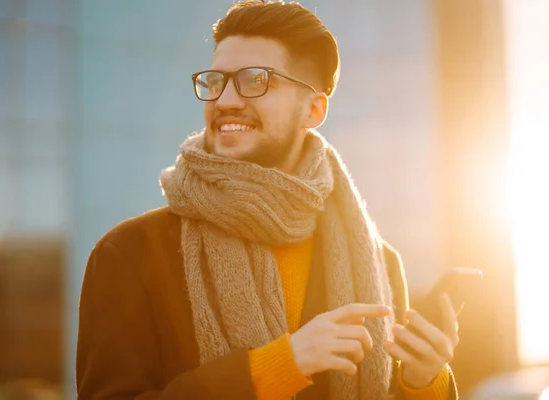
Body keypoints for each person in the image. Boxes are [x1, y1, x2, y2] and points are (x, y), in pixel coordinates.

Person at [76, 1, 460, 399]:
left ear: (313, 109)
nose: (225, 100)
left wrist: (421, 381)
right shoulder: (129, 252)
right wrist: (277, 367)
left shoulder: (380, 265)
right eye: (216, 81)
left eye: (255, 79)